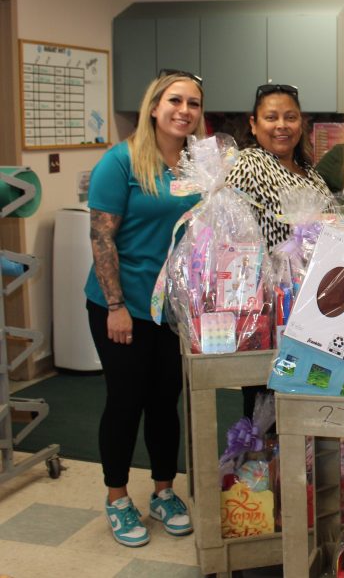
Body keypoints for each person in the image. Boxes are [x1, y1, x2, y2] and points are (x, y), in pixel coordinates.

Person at [86, 69, 204, 547]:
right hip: (124, 305)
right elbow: (101, 236)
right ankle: (117, 497)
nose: (184, 110)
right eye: (175, 100)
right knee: (125, 400)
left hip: (171, 311)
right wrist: (115, 305)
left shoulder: (199, 165)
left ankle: (163, 490)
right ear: (154, 106)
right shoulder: (121, 162)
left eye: (194, 103)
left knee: (164, 402)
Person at [226, 83, 332, 416]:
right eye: (271, 117)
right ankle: (261, 466)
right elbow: (232, 237)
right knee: (267, 405)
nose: (281, 125)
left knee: (305, 404)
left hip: (312, 310)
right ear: (254, 125)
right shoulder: (248, 164)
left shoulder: (310, 173)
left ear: (302, 124)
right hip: (271, 311)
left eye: (290, 117)